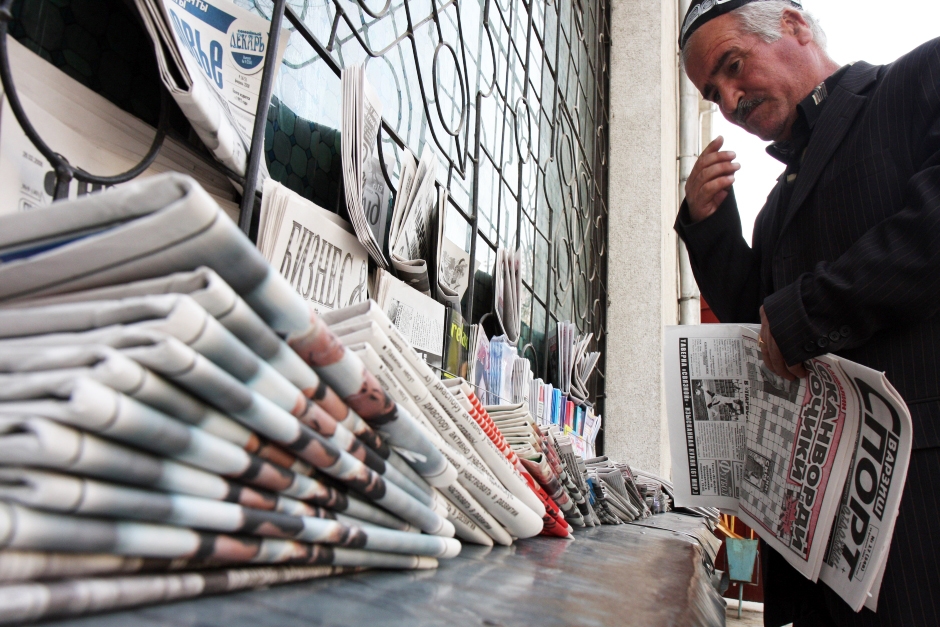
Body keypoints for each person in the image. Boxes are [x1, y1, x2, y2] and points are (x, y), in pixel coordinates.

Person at [673, 1, 940, 626]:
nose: (730, 101)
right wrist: (711, 228)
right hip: (817, 560)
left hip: (918, 522)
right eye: (714, 94)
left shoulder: (919, 79)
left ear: (794, 26)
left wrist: (812, 308)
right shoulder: (773, 209)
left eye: (733, 68)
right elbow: (762, 332)